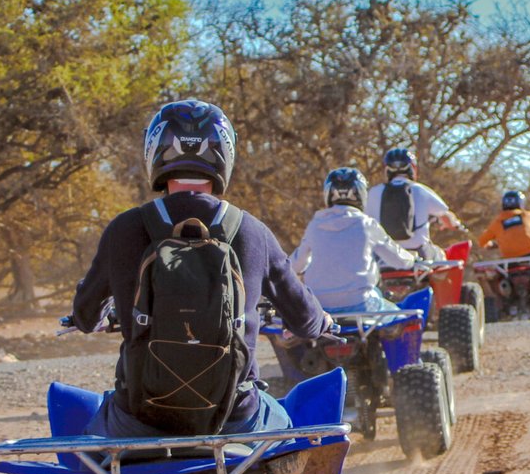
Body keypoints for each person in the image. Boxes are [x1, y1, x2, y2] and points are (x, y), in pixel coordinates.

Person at [69, 98, 333, 438]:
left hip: (140, 418)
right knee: (292, 432)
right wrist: (321, 320)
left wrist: (95, 312)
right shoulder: (252, 232)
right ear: (225, 155)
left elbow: (86, 315)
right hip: (235, 416)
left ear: (155, 152)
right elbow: (305, 320)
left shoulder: (124, 229)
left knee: (87, 438)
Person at [292, 167, 417, 313]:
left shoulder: (315, 225)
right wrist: (412, 259)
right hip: (361, 303)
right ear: (361, 193)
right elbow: (398, 260)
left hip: (320, 306)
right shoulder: (367, 224)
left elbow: (296, 265)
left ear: (328, 194)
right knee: (400, 315)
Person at [364, 146, 462, 261]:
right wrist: (456, 225)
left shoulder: (373, 192)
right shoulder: (420, 190)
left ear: (387, 169)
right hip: (418, 254)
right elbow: (446, 216)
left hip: (382, 256)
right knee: (440, 255)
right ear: (413, 168)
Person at [477, 189, 530, 258]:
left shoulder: (497, 222)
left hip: (509, 260)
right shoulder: (527, 215)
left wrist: (489, 245)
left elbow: (481, 241)